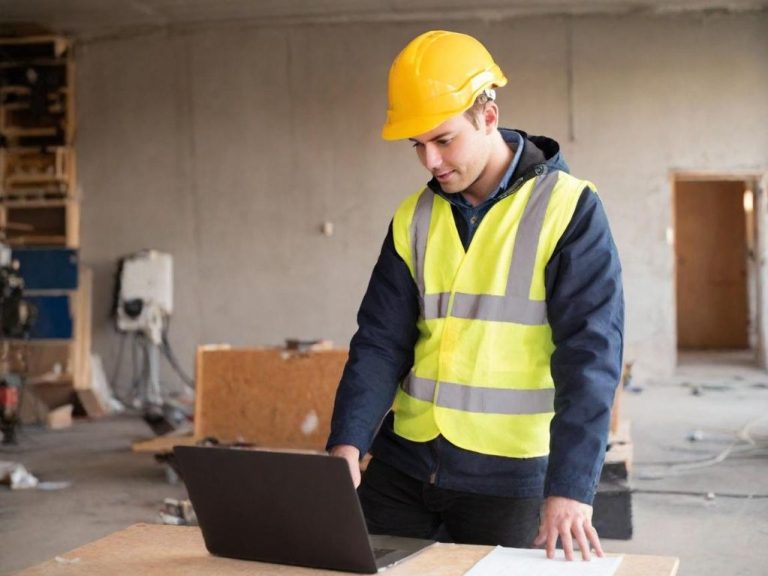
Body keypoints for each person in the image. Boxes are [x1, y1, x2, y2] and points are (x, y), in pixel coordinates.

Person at [327, 30, 624, 562]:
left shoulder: (569, 210)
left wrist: (572, 488)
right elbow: (378, 341)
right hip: (405, 465)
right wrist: (347, 444)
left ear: (488, 115)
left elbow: (591, 355)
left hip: (509, 479)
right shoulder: (414, 216)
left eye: (443, 140)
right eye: (416, 144)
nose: (430, 162)